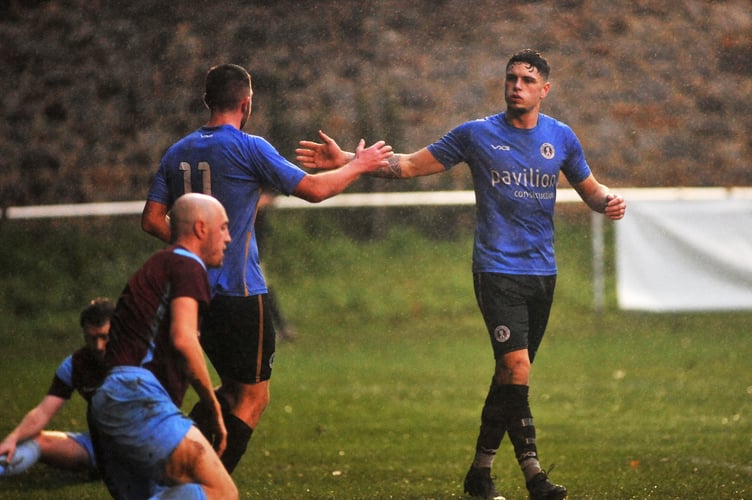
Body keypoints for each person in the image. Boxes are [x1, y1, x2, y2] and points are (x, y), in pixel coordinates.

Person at [296, 49, 627, 500]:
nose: (517, 85)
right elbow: (409, 165)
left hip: (543, 273)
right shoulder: (476, 135)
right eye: (511, 78)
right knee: (517, 366)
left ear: (544, 90)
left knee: (510, 376)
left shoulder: (562, 138)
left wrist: (609, 200)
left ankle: (480, 473)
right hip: (495, 270)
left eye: (528, 80)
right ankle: (534, 476)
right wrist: (350, 164)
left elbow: (590, 190)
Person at [140, 63, 392, 474]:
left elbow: (151, 219)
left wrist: (192, 249)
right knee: (253, 398)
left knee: (232, 388)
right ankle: (200, 484)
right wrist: (359, 164)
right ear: (246, 103)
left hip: (191, 292)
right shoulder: (248, 147)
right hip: (239, 294)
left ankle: (172, 465)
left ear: (207, 101)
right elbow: (313, 190)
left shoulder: (178, 150)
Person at [90, 193, 237, 499]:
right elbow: (183, 339)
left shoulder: (158, 264)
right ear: (200, 229)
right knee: (222, 492)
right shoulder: (187, 264)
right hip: (134, 397)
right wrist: (214, 408)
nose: (229, 238)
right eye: (223, 228)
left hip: (110, 400)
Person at [0, 298, 113, 479]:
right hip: (102, 446)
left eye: (104, 337)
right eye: (92, 338)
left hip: (147, 445)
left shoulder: (143, 358)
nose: (99, 346)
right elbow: (43, 412)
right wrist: (11, 438)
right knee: (37, 441)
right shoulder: (75, 364)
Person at [256, 190, 297, 342]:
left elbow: (276, 187)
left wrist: (266, 198)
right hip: (241, 237)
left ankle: (279, 327)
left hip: (252, 239)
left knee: (260, 282)